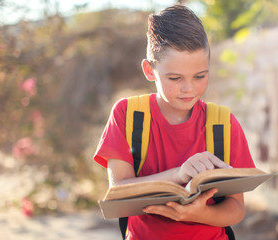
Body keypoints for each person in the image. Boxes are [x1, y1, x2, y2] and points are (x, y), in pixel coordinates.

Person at [93, 5, 255, 240]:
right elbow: (119, 191)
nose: (188, 88)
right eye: (175, 78)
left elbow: (236, 209)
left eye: (200, 76)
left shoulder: (223, 123)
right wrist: (179, 174)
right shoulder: (128, 114)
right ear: (150, 71)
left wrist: (199, 214)